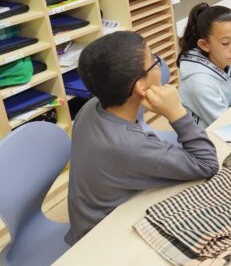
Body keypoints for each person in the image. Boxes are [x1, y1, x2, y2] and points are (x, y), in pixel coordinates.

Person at [66, 32, 219, 245]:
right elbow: (207, 164)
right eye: (154, 60)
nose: (159, 64)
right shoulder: (129, 145)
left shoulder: (93, 106)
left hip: (89, 216)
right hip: (102, 239)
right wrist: (177, 112)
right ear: (140, 87)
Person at [178, 3, 231, 130]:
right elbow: (223, 125)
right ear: (204, 45)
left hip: (225, 124)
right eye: (225, 43)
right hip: (203, 136)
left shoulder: (228, 60)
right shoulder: (199, 82)